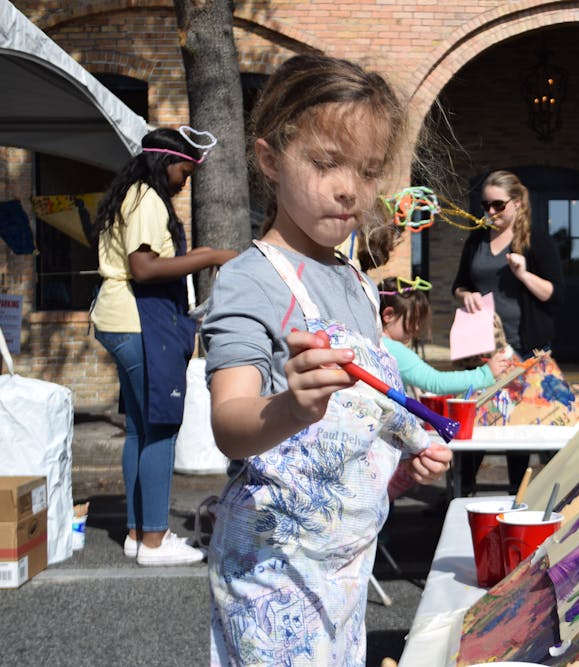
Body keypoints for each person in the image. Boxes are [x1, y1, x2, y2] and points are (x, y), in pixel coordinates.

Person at [200, 54, 451, 666]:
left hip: (346, 566)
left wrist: (406, 459)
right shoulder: (249, 280)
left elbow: (365, 415)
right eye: (325, 163)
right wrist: (291, 405)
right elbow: (230, 426)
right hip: (273, 573)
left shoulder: (359, 282)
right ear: (268, 160)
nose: (350, 189)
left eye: (367, 172)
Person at [90, 127, 237, 566]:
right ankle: (154, 540)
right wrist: (211, 255)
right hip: (138, 320)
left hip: (121, 319)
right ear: (163, 163)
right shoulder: (147, 199)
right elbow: (145, 268)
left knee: (140, 428)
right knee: (160, 428)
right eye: (183, 171)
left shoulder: (131, 195)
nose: (184, 181)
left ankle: (138, 533)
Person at [452, 170, 565, 492]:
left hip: (525, 346)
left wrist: (524, 274)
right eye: (485, 205)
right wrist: (467, 294)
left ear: (516, 203)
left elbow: (555, 295)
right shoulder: (477, 240)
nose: (490, 212)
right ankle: (462, 491)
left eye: (497, 205)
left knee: (518, 425)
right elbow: (459, 285)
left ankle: (519, 493)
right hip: (483, 349)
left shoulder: (536, 241)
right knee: (475, 422)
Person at [379, 277, 511, 395]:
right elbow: (436, 382)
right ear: (388, 315)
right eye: (413, 320)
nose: (417, 328)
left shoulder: (376, 341)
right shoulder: (392, 349)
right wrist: (486, 373)